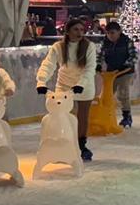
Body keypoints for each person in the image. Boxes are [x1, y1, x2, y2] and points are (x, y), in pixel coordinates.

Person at [36, 17, 98, 162]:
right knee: (61, 116)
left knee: (82, 117)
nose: (79, 33)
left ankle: (81, 145)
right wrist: (41, 81)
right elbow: (48, 64)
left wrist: (81, 84)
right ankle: (64, 144)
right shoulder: (58, 47)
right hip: (64, 85)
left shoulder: (89, 46)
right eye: (76, 29)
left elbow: (90, 68)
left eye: (82, 30)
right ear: (68, 31)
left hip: (84, 85)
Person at [97, 22, 138, 127]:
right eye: (107, 33)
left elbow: (134, 56)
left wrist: (125, 65)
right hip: (111, 72)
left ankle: (126, 116)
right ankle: (106, 114)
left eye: (112, 33)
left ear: (119, 32)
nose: (110, 35)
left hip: (125, 72)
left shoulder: (126, 41)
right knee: (107, 94)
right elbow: (99, 55)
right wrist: (98, 65)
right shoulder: (105, 42)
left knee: (122, 94)